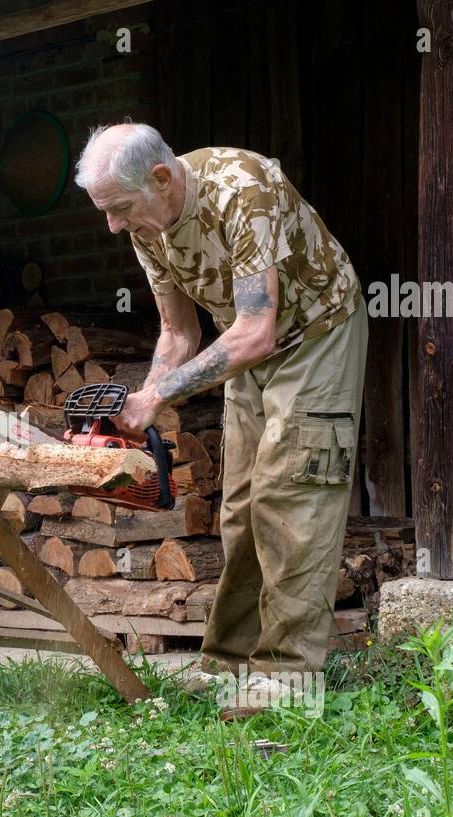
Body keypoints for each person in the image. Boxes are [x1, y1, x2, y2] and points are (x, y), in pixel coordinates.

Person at [74, 122, 368, 707]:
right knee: (239, 506)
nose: (112, 224)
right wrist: (141, 406)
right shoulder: (146, 222)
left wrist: (160, 397)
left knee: (293, 498)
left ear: (161, 178)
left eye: (119, 208)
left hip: (315, 336)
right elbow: (177, 332)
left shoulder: (243, 189)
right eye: (105, 211)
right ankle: (231, 661)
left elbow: (257, 332)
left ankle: (288, 677)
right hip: (249, 347)